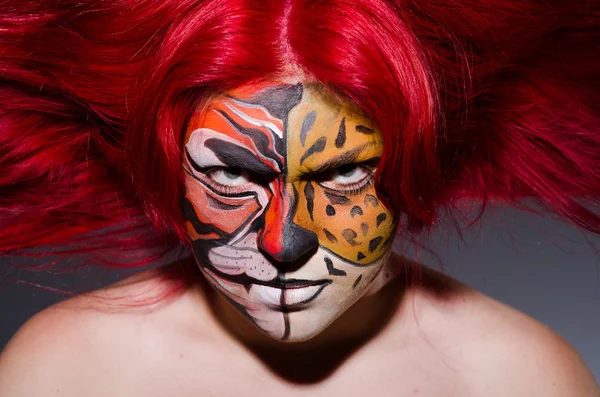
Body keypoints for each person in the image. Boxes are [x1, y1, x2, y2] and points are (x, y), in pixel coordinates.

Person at [1, 0, 599, 395]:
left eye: (344, 176)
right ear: (165, 172)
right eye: (231, 177)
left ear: (417, 163)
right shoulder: (65, 371)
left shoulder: (521, 379)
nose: (283, 241)